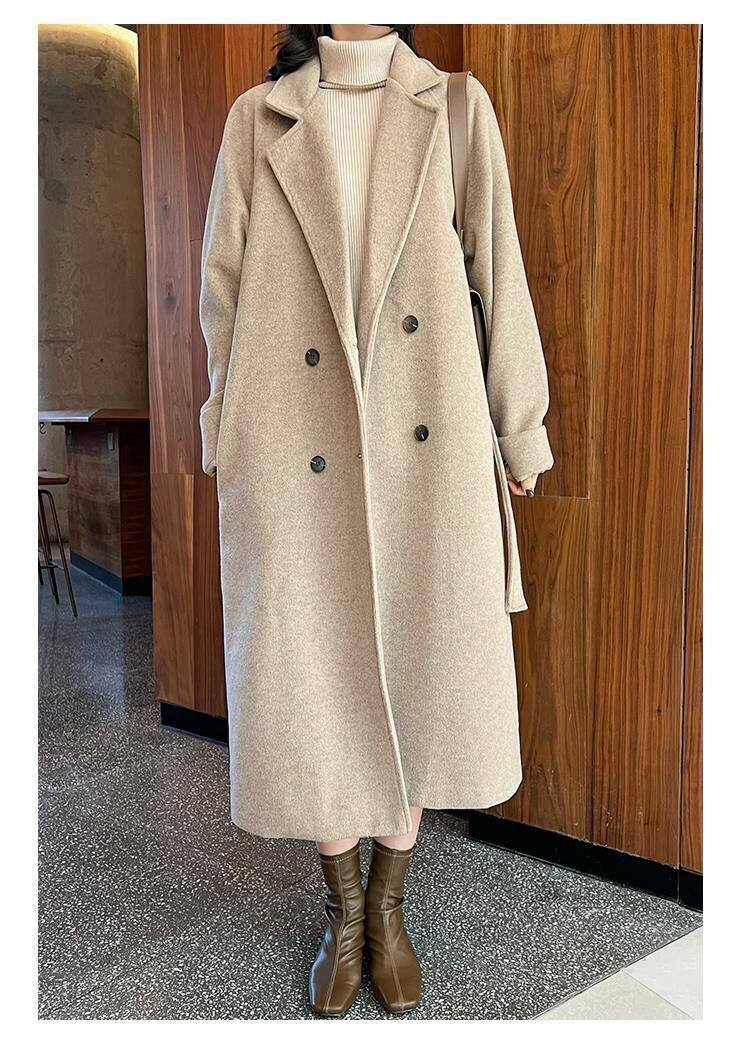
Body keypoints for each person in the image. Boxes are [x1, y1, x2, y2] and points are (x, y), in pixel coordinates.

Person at [199, 23, 553, 1016]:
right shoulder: (258, 119)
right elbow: (221, 290)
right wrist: (225, 430)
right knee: (310, 677)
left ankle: (389, 909)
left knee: (423, 669)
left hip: (426, 443)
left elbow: (499, 271)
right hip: (292, 443)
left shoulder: (455, 107)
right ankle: (344, 913)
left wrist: (520, 430)